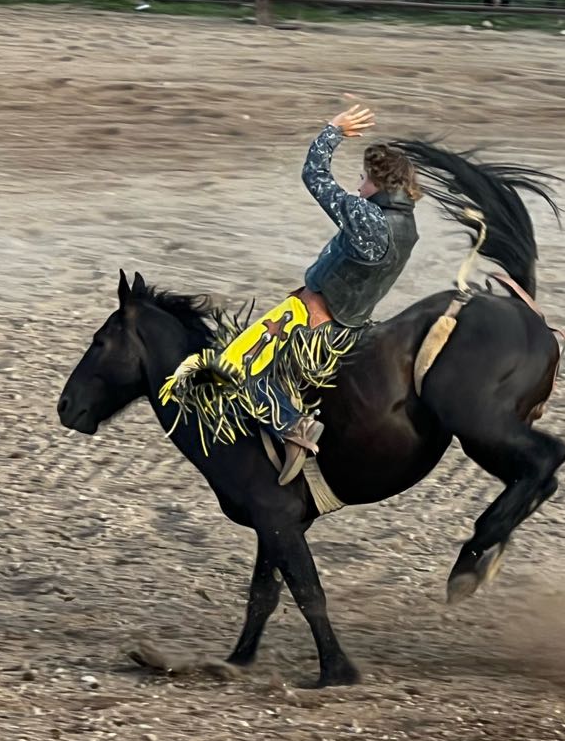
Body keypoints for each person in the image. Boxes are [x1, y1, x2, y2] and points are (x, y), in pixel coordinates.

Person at [161, 102, 421, 486]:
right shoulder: (408, 225)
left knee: (235, 367)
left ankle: (292, 426)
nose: (359, 186)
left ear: (381, 184)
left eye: (364, 178)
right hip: (350, 323)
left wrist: (332, 129)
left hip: (311, 319)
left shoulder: (369, 219)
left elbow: (314, 174)